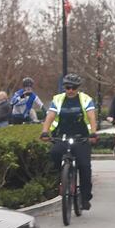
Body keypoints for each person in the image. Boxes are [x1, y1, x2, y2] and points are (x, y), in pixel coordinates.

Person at [40, 73, 98, 210]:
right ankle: (61, 179)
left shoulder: (85, 99)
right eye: (67, 87)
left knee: (84, 166)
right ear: (64, 87)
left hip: (81, 137)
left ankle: (84, 197)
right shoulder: (58, 99)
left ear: (78, 88)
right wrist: (44, 131)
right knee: (54, 153)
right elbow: (50, 116)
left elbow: (91, 117)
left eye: (74, 87)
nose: (70, 90)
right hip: (62, 136)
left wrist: (93, 133)